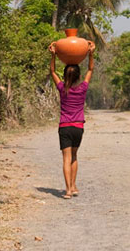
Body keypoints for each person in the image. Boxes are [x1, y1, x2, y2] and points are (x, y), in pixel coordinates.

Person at [49, 39, 95, 199]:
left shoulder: (62, 88)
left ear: (65, 75)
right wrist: (90, 53)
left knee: (66, 158)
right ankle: (74, 187)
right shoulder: (82, 88)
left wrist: (53, 55)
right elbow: (90, 69)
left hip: (65, 127)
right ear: (79, 76)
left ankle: (68, 190)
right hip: (78, 127)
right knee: (74, 157)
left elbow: (52, 72)